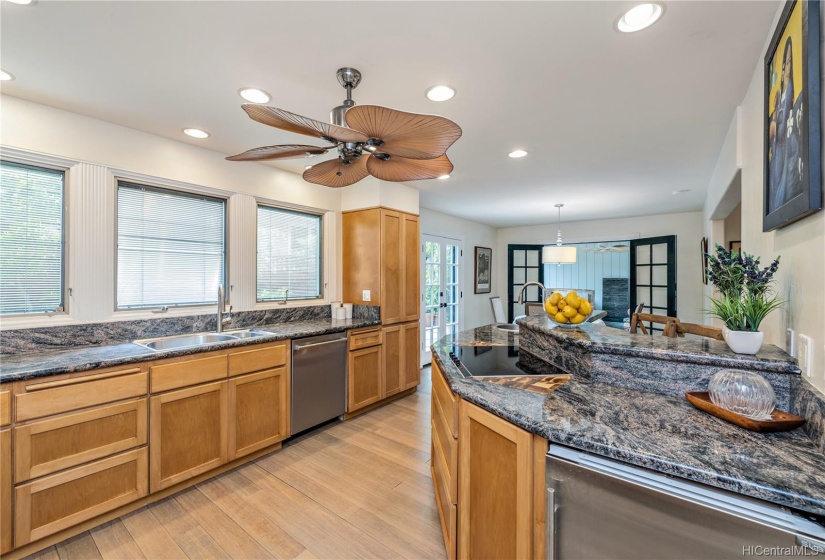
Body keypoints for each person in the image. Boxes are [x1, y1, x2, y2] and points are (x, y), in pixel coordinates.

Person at [768, 36, 803, 213]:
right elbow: (773, 132)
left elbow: (778, 131)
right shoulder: (779, 99)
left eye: (791, 62)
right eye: (786, 63)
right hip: (778, 160)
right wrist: (774, 116)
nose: (788, 68)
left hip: (785, 156)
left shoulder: (790, 98)